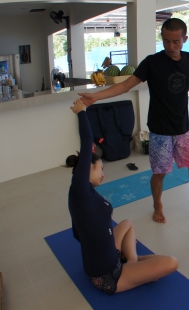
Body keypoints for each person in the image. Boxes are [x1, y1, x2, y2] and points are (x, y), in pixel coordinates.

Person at [79, 18, 189, 224]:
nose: (170, 46)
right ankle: (157, 205)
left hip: (182, 128)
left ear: (185, 39)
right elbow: (125, 86)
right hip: (160, 130)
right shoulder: (152, 62)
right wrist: (96, 97)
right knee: (160, 173)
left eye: (175, 42)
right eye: (166, 41)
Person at [65, 98, 178, 295]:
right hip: (109, 275)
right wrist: (82, 112)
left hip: (109, 254)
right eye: (100, 168)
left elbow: (78, 233)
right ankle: (133, 266)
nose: (103, 174)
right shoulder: (80, 190)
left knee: (127, 223)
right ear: (87, 167)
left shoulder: (80, 194)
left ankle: (132, 261)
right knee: (171, 262)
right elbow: (86, 140)